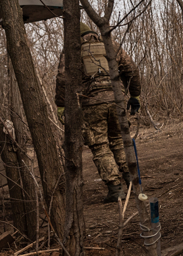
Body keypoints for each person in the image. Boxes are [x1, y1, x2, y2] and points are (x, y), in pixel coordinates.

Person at [55, 22, 141, 203]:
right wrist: (135, 95)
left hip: (92, 104)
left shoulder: (72, 50)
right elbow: (131, 69)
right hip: (117, 100)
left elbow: (63, 79)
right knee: (119, 140)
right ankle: (132, 182)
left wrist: (61, 105)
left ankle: (115, 190)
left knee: (100, 145)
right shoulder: (110, 44)